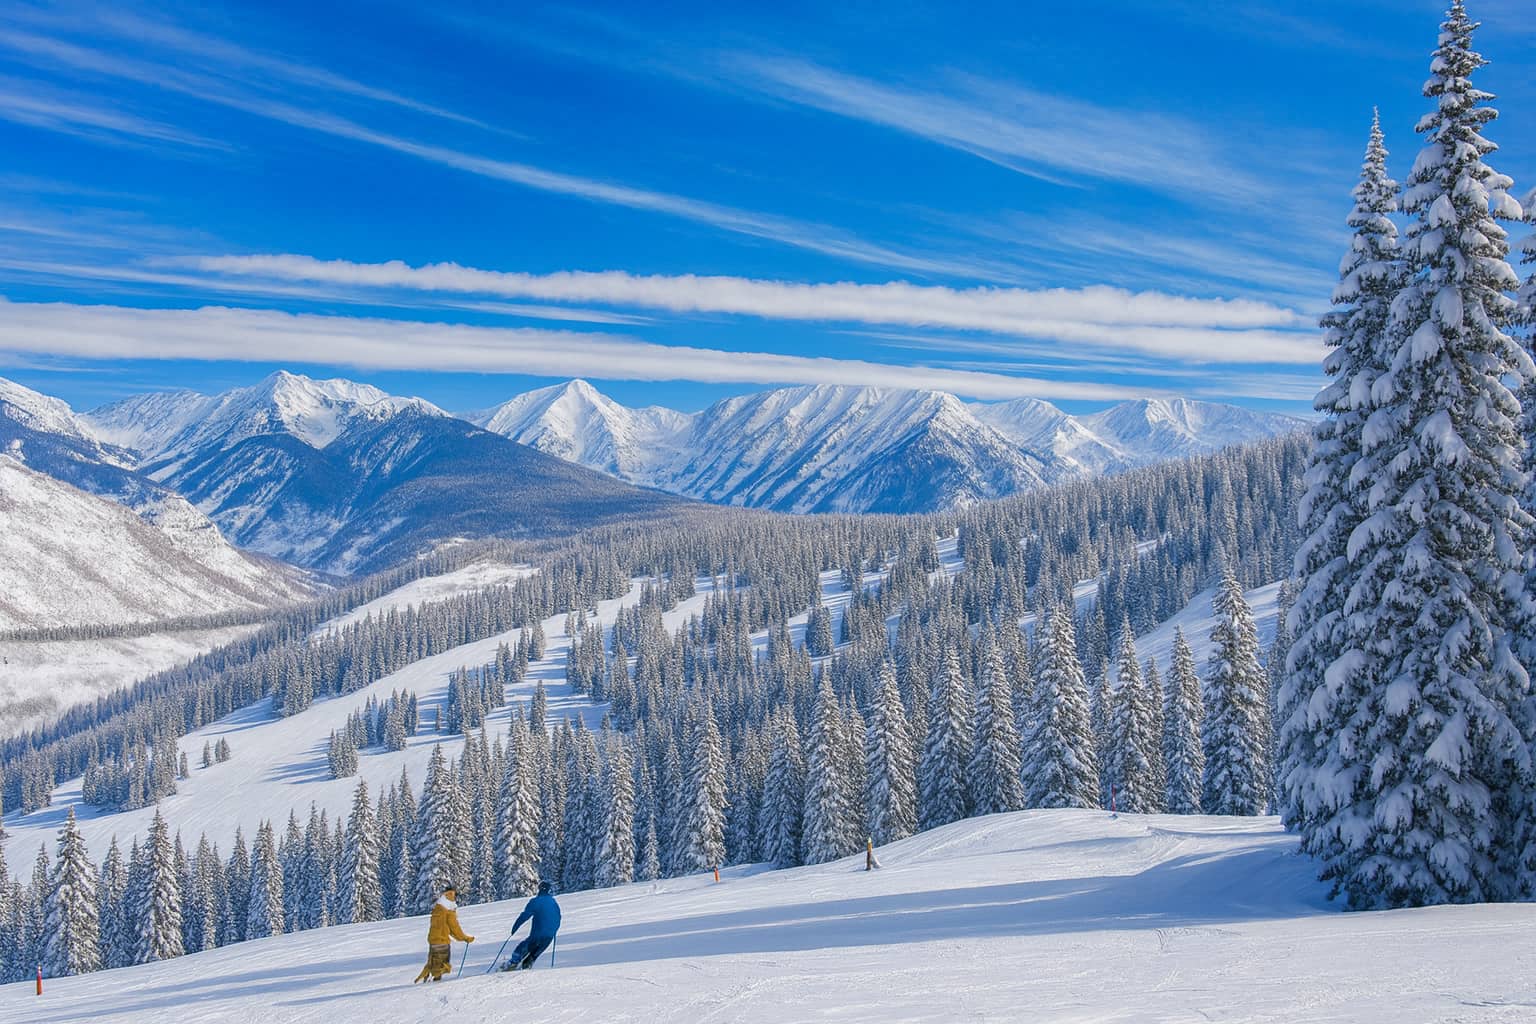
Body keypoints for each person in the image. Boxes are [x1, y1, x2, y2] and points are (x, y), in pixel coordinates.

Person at [413, 884, 475, 983]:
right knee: (439, 968)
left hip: (433, 941)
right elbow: (454, 928)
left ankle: (426, 980)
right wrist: (465, 938)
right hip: (442, 942)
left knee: (432, 964)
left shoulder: (439, 907)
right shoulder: (448, 909)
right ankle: (432, 987)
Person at [501, 881, 562, 971]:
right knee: (535, 952)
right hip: (550, 934)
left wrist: (515, 928)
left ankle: (512, 963)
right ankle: (527, 965)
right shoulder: (553, 902)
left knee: (524, 946)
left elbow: (525, 916)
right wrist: (554, 930)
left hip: (539, 932)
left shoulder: (536, 901)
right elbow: (558, 917)